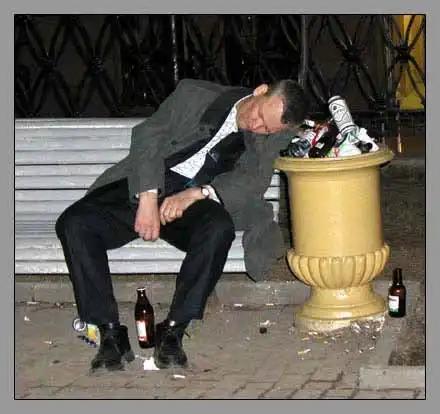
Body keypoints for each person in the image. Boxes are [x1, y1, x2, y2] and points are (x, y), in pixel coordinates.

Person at [55, 78, 310, 372]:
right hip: (149, 182)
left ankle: (173, 332)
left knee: (218, 229)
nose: (257, 126)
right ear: (261, 91)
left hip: (194, 199)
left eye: (267, 128)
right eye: (259, 115)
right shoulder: (194, 95)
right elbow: (149, 135)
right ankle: (110, 334)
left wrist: (197, 194)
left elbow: (253, 180)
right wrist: (148, 197)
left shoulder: (276, 133)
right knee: (75, 223)